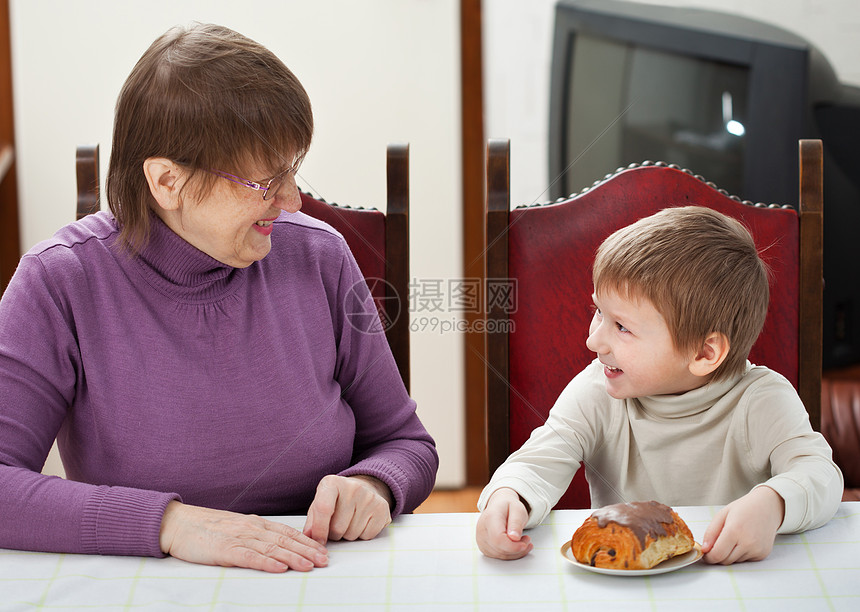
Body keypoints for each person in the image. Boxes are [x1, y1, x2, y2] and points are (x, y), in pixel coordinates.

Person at [0, 23, 438, 573]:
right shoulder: (59, 283)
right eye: (264, 183)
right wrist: (169, 524)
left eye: (292, 171)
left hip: (318, 573)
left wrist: (375, 484)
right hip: (144, 584)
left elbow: (407, 443)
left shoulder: (318, 256)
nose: (293, 200)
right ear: (166, 182)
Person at [475, 206, 843, 565]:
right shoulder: (596, 389)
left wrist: (774, 503)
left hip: (730, 579)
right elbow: (539, 461)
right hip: (619, 581)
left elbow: (821, 475)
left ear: (704, 352)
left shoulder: (763, 400)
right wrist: (510, 495)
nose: (593, 342)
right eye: (598, 312)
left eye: (622, 327)